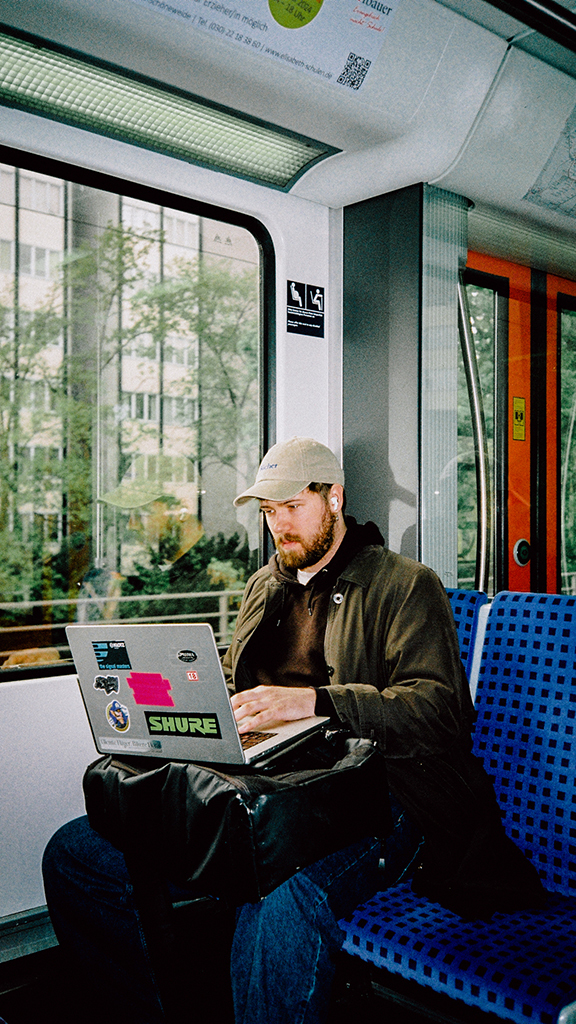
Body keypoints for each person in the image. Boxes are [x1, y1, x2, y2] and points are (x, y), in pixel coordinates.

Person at [42, 437, 544, 1024]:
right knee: (77, 856)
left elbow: (439, 711)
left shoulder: (404, 585)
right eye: (268, 512)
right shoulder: (265, 586)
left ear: (334, 499)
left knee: (281, 891)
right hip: (263, 788)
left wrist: (312, 703)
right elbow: (233, 682)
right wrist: (198, 712)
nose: (279, 526)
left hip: (377, 795)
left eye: (292, 507)